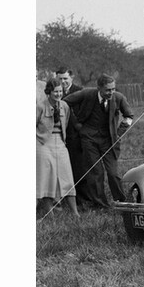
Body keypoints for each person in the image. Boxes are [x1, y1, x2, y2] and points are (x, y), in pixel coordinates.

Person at [64, 74, 134, 208]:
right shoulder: (86, 94)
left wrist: (119, 133)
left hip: (109, 141)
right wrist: (76, 123)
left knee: (113, 173)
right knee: (96, 172)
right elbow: (65, 102)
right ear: (99, 88)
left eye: (113, 89)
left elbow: (129, 116)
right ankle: (100, 204)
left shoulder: (118, 98)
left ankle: (121, 202)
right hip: (89, 139)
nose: (111, 92)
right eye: (108, 90)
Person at [36, 77, 80, 218]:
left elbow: (65, 124)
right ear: (49, 92)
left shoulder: (65, 106)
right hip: (43, 144)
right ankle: (49, 214)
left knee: (67, 176)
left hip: (60, 143)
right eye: (55, 92)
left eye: (60, 91)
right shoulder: (40, 106)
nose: (58, 94)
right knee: (46, 179)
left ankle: (75, 213)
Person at [55, 66, 89, 204]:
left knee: (78, 168)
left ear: (71, 78)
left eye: (65, 78)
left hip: (76, 136)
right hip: (60, 137)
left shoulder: (80, 91)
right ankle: (63, 198)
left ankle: (82, 199)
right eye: (60, 79)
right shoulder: (55, 92)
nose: (63, 81)